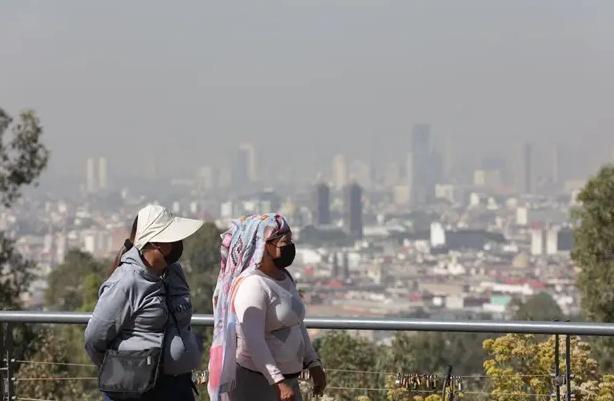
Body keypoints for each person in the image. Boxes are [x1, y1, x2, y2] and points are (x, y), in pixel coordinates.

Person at [85, 204, 203, 401]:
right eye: (173, 238)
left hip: (177, 386)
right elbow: (94, 338)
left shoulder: (175, 273)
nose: (178, 244)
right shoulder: (126, 281)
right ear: (158, 244)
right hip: (136, 390)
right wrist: (122, 368)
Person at [208, 213, 326, 401]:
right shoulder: (253, 285)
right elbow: (254, 341)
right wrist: (277, 381)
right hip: (259, 382)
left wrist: (313, 362)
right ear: (264, 245)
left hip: (288, 381)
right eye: (284, 243)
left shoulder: (285, 278)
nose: (289, 247)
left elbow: (297, 324)